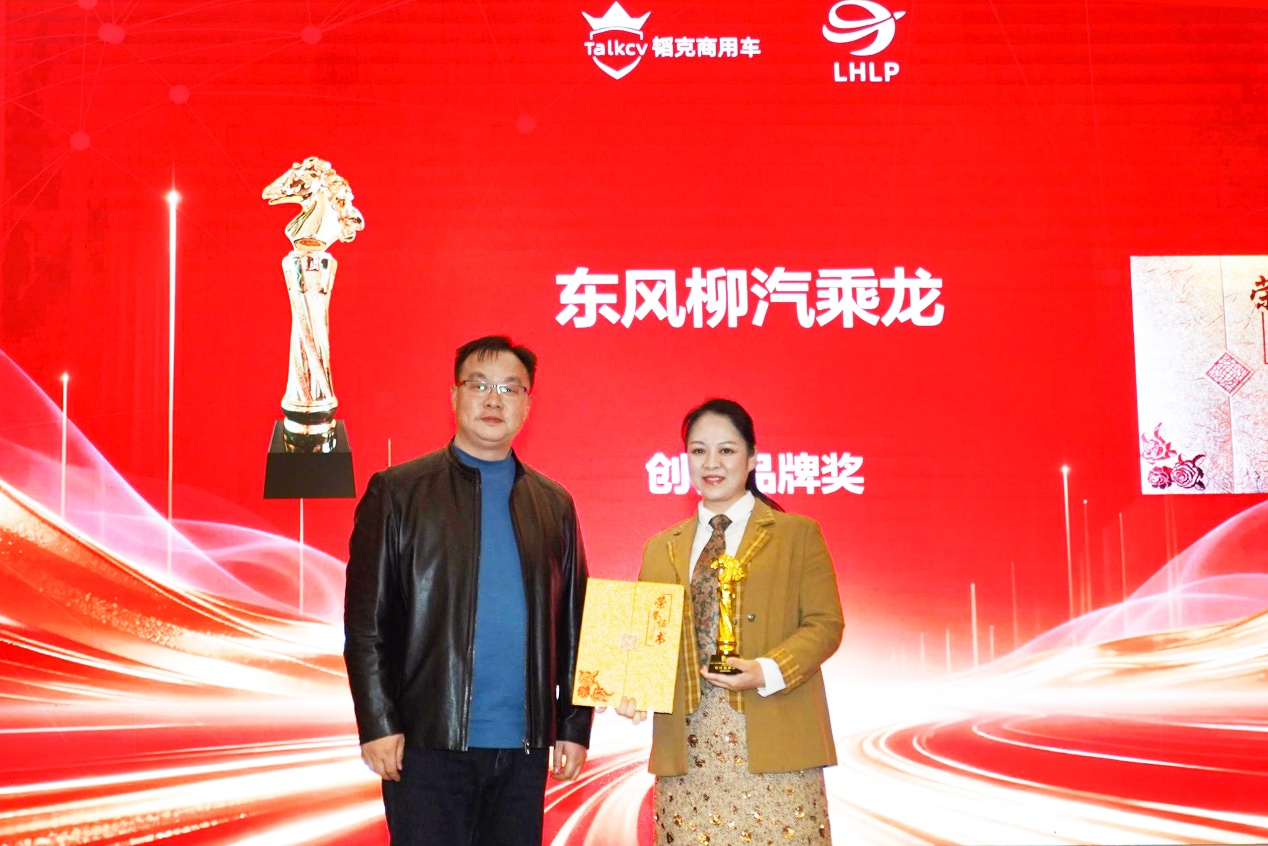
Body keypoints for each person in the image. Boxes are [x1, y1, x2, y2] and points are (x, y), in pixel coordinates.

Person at [344, 335, 592, 846]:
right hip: (426, 743)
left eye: (510, 388)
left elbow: (576, 625)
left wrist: (573, 725)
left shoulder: (553, 504)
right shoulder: (398, 492)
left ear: (528, 404)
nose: (493, 399)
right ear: (454, 395)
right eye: (479, 385)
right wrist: (378, 722)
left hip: (524, 748)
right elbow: (366, 625)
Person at [616, 398, 844, 844]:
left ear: (752, 457)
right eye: (699, 451)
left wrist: (766, 670)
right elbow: (644, 640)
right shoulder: (661, 547)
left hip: (777, 743)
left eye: (726, 450)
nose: (711, 463)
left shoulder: (797, 534)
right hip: (688, 754)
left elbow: (825, 625)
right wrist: (633, 686)